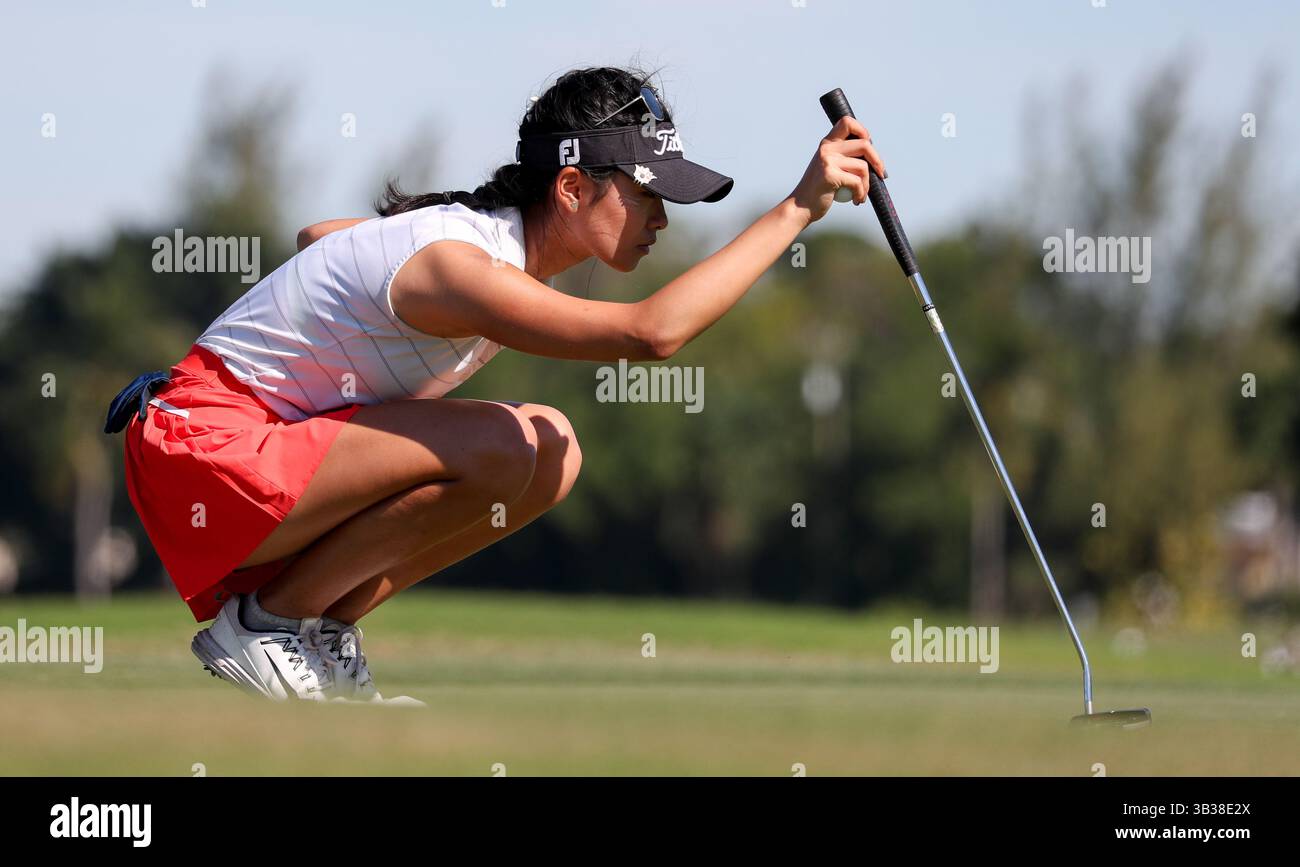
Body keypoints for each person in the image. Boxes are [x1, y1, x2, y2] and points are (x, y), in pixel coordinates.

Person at [103, 65, 886, 704]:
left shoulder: (467, 246)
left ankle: (315, 633)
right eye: (645, 193)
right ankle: (268, 626)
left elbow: (318, 237)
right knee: (522, 442)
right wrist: (795, 210)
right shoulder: (460, 261)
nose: (661, 217)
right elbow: (650, 333)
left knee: (553, 456)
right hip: (201, 449)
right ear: (572, 189)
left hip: (235, 459)